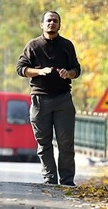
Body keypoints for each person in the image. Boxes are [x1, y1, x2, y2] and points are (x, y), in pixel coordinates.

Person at [16, 11, 81, 187]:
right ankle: (50, 180)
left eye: (55, 21)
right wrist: (39, 71)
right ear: (42, 24)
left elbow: (76, 69)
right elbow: (21, 69)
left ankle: (67, 181)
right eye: (48, 21)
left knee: (66, 143)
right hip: (40, 100)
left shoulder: (67, 45)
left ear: (59, 25)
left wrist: (69, 73)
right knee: (44, 144)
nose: (51, 23)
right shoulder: (33, 46)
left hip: (63, 100)